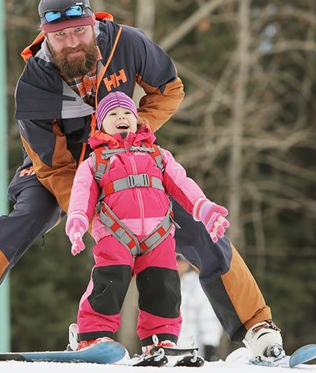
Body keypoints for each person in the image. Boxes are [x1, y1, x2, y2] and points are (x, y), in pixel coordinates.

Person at [0, 0, 284, 361]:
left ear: (93, 24)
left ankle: (257, 327)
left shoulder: (128, 43)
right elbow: (54, 164)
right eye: (60, 36)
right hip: (58, 170)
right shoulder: (34, 84)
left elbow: (170, 89)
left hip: (128, 158)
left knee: (195, 226)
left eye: (79, 31)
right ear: (45, 36)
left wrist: (134, 137)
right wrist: (92, 211)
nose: (71, 42)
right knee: (28, 217)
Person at [64, 91, 229, 352]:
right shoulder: (95, 162)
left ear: (136, 119)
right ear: (100, 123)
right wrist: (76, 221)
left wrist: (204, 207)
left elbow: (182, 184)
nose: (122, 117)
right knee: (109, 281)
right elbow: (82, 194)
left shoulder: (158, 156)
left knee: (163, 285)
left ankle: (161, 339)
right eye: (114, 114)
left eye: (128, 113)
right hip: (114, 232)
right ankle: (93, 334)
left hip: (159, 234)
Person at [176, 254, 223, 360]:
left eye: (181, 261)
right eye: (175, 260)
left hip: (193, 352)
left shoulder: (197, 285)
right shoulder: (167, 283)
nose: (178, 265)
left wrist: (209, 346)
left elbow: (209, 317)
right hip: (170, 351)